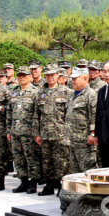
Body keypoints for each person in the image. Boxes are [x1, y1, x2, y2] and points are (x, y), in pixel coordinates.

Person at [34, 63, 71, 196]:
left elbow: (69, 115)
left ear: (57, 75)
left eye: (52, 75)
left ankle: (63, 186)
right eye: (47, 75)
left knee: (62, 162)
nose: (50, 77)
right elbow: (36, 115)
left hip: (60, 133)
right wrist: (36, 133)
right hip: (45, 133)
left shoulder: (66, 92)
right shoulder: (40, 93)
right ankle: (49, 185)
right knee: (47, 161)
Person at [7, 66, 40, 194]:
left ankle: (33, 182)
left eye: (24, 75)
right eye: (19, 75)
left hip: (29, 132)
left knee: (31, 158)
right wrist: (8, 130)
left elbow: (37, 114)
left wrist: (36, 132)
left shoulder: (35, 92)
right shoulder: (14, 91)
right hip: (15, 131)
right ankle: (23, 181)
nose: (21, 77)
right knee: (18, 158)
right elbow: (9, 112)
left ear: (30, 77)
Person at [65, 67, 100, 173]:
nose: (72, 81)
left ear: (85, 79)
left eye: (75, 78)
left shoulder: (90, 94)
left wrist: (93, 134)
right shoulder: (72, 94)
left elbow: (94, 115)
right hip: (72, 140)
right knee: (75, 173)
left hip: (84, 142)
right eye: (72, 79)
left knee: (88, 171)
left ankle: (91, 190)